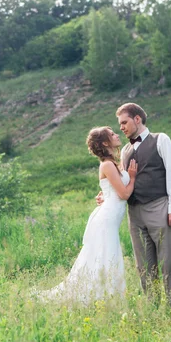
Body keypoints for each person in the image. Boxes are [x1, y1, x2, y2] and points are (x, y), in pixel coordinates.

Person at [35, 126, 137, 305]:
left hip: (109, 217)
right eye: (112, 134)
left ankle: (105, 297)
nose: (117, 135)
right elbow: (124, 194)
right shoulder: (107, 164)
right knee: (105, 256)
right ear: (105, 143)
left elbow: (111, 188)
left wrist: (103, 195)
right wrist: (133, 177)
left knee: (105, 256)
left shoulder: (113, 163)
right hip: (106, 220)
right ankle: (100, 298)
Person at [98, 102, 171, 309]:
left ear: (137, 119)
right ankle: (153, 308)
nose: (122, 127)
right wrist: (105, 195)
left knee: (168, 261)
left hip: (159, 208)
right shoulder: (125, 150)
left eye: (124, 122)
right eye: (120, 124)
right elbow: (120, 180)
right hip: (134, 214)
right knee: (144, 265)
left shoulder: (160, 139)